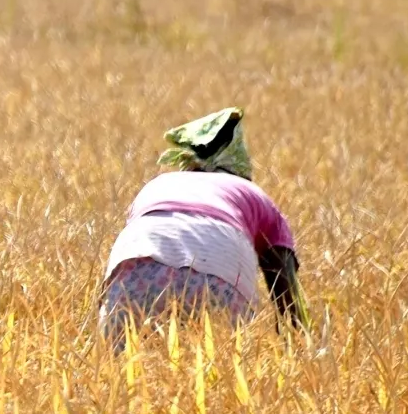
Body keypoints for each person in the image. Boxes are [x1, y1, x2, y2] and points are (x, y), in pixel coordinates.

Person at [99, 107, 308, 337]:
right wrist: (302, 347)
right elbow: (287, 296)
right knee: (220, 368)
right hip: (216, 280)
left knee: (123, 367)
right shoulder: (253, 194)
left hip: (134, 274)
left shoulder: (160, 184)